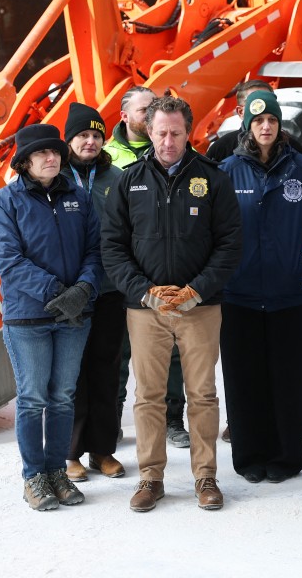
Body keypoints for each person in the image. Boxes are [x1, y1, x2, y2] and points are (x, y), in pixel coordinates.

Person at [101, 95, 243, 513]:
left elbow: (229, 244)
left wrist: (196, 290)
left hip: (200, 307)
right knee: (148, 396)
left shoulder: (213, 180)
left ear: (189, 132)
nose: (167, 141)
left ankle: (206, 477)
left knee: (201, 394)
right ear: (149, 130)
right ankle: (151, 478)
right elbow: (112, 247)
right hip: (146, 310)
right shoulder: (129, 181)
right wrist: (144, 291)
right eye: (161, 132)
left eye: (176, 133)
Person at [0, 123, 102, 511]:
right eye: (41, 154)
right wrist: (56, 292)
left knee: (63, 397)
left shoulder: (79, 199)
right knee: (33, 398)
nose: (51, 158)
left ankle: (57, 471)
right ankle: (33, 476)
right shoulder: (5, 203)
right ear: (24, 162)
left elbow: (94, 251)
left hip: (74, 318)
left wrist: (84, 289)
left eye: (55, 152)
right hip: (28, 319)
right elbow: (8, 261)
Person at [218, 90, 302, 483]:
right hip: (239, 295)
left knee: (288, 379)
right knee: (244, 380)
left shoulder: (301, 168)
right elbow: (217, 229)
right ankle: (249, 457)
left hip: (289, 294)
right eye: (258, 120)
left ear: (280, 126)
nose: (265, 126)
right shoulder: (228, 169)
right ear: (247, 125)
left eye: (272, 121)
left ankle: (286, 457)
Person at [104, 86, 189, 449]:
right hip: (125, 277)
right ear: (125, 116)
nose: (151, 114)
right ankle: (113, 419)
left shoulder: (177, 156)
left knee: (172, 357)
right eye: (143, 110)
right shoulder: (108, 159)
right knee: (120, 353)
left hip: (170, 275)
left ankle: (173, 418)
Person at [59, 103, 126, 483]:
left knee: (106, 369)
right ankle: (70, 453)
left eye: (96, 135)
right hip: (71, 291)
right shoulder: (56, 175)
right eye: (83, 134)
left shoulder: (115, 177)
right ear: (70, 139)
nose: (90, 141)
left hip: (110, 289)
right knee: (73, 372)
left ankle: (102, 449)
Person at [206, 79, 302, 163]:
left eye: (266, 100)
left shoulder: (292, 149)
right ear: (240, 112)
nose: (262, 105)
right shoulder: (222, 149)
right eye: (255, 103)